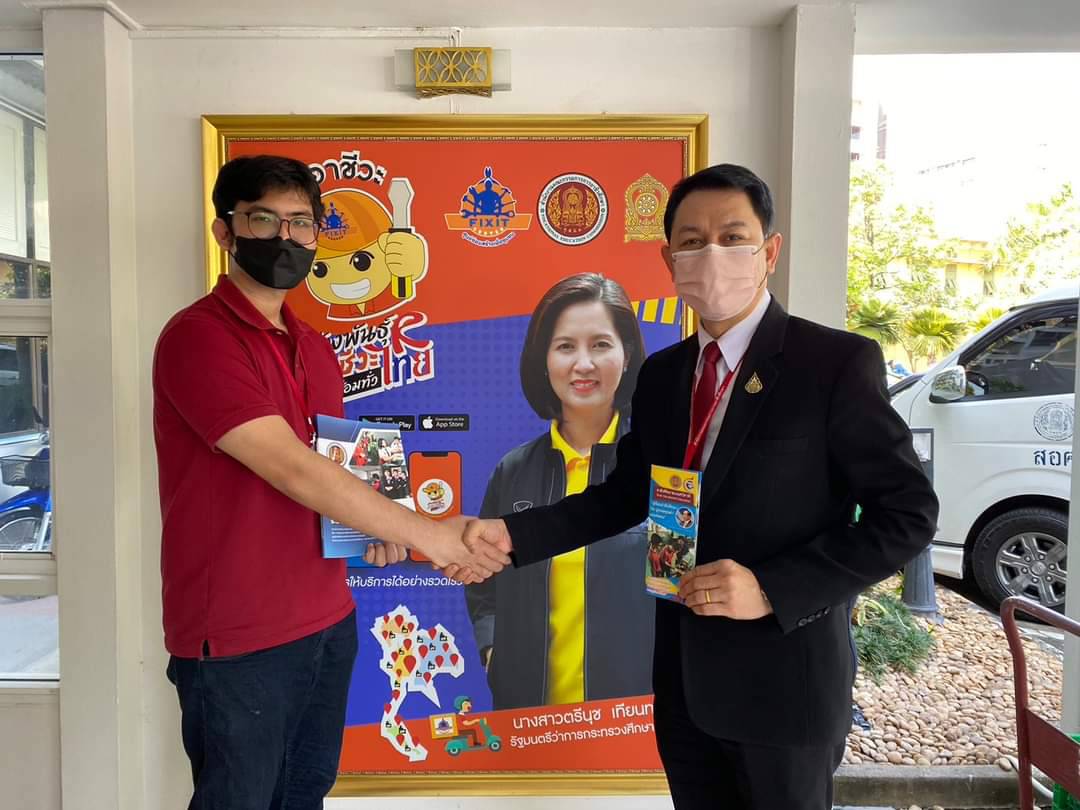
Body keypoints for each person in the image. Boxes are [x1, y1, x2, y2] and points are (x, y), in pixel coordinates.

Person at [459, 164, 939, 810]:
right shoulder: (663, 375)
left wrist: (772, 587)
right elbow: (625, 495)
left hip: (783, 686)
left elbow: (907, 514)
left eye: (732, 236)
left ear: (769, 252)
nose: (711, 254)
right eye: (691, 241)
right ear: (669, 260)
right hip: (684, 682)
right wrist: (509, 535)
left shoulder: (832, 363)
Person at [152, 154, 507, 810]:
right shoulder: (199, 338)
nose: (285, 237)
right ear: (226, 232)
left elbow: (339, 460)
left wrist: (380, 526)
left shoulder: (314, 344)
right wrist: (431, 535)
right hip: (238, 634)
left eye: (301, 222)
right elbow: (289, 465)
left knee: (305, 793)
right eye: (264, 220)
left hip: (328, 616)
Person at [464, 273, 654, 709]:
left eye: (600, 344)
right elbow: (483, 584)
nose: (583, 364)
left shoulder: (659, 469)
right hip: (530, 720)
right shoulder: (513, 471)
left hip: (631, 721)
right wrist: (493, 652)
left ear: (626, 355)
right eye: (565, 346)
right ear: (544, 359)